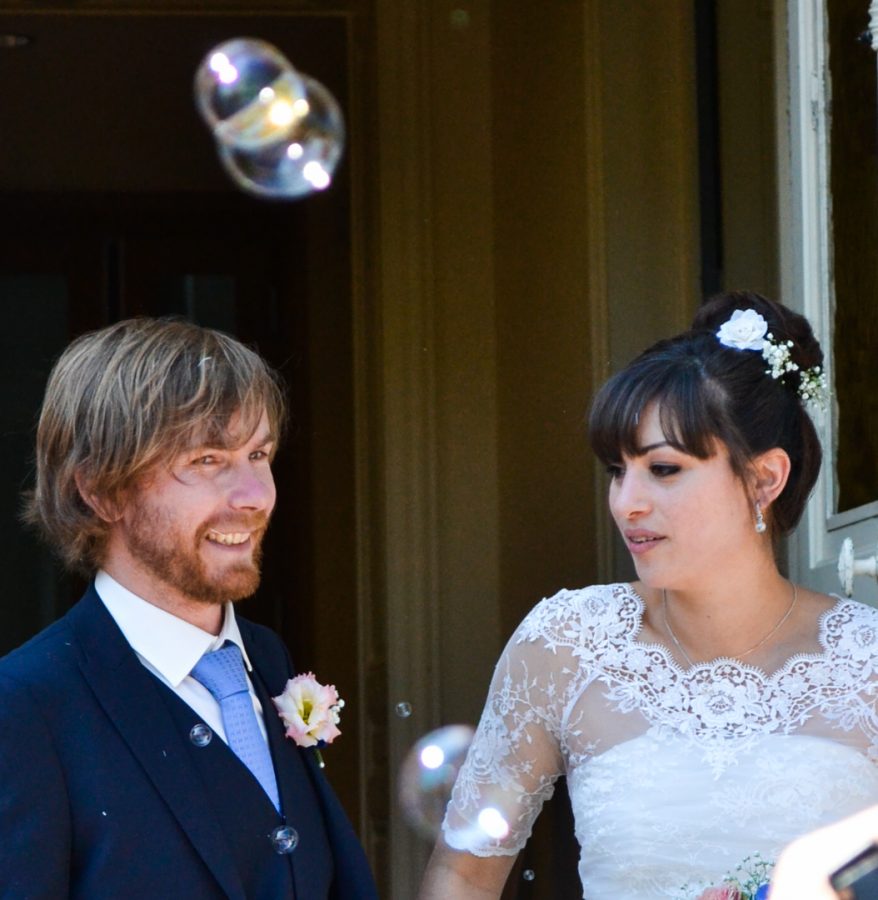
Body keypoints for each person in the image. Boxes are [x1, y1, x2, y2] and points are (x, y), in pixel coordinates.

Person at [418, 291, 878, 899]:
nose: (625, 502)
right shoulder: (565, 643)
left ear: (765, 478)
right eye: (617, 469)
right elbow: (463, 875)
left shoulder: (867, 659)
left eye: (663, 469)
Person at [0, 318, 377, 899]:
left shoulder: (268, 659)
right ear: (100, 490)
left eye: (260, 453)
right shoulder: (26, 706)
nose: (256, 496)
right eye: (207, 460)